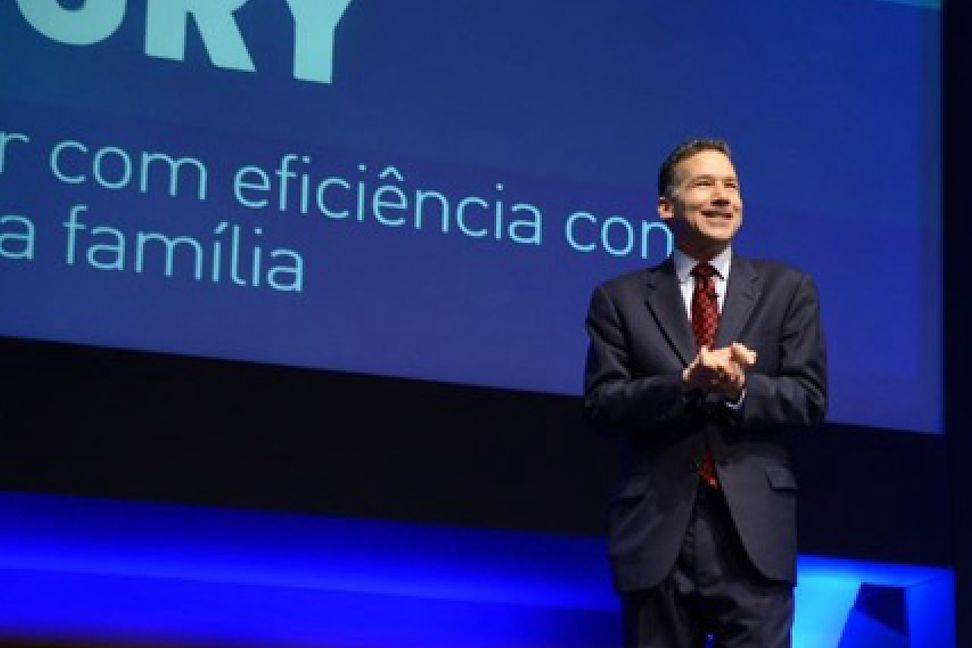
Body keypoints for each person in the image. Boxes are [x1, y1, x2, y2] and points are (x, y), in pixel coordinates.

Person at [582, 138, 827, 647]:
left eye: (731, 185)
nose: (723, 196)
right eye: (704, 184)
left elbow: (809, 397)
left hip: (753, 537)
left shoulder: (788, 290)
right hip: (657, 534)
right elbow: (603, 405)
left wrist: (741, 389)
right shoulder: (620, 299)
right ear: (666, 207)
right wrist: (683, 384)